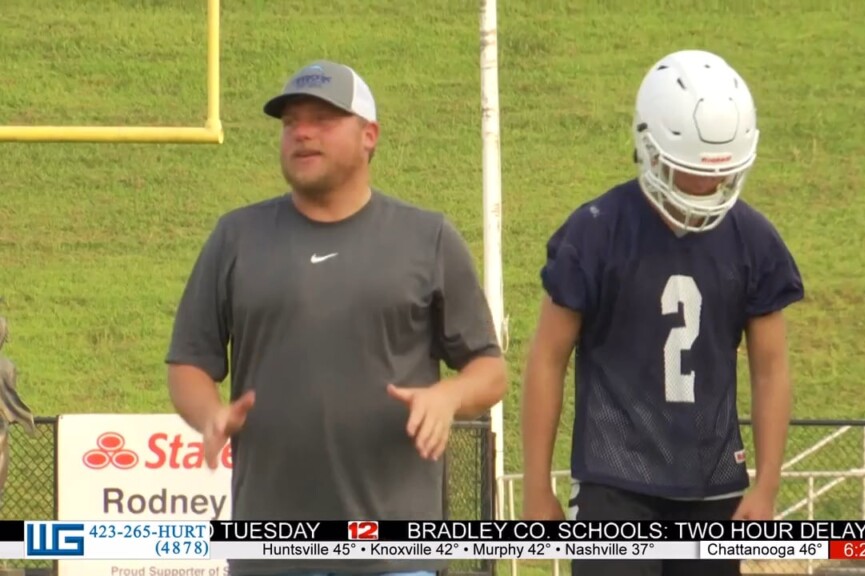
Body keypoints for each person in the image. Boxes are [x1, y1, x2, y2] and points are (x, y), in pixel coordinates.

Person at [165, 59, 507, 576]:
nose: (302, 133)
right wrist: (208, 414)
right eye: (290, 122)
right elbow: (189, 363)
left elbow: (490, 368)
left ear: (370, 135)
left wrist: (449, 396)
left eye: (323, 119)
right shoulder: (236, 238)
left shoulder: (427, 239)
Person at [520, 49, 805, 576]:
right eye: (687, 170)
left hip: (713, 480)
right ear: (648, 147)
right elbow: (546, 359)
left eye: (715, 175)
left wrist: (766, 485)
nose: (702, 189)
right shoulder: (597, 230)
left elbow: (771, 369)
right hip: (614, 481)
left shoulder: (754, 239)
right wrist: (537, 487)